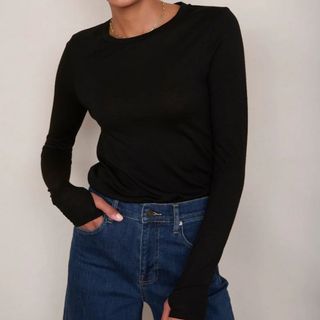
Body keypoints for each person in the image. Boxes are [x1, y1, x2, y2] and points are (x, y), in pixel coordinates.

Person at [40, 0, 248, 319]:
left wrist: (193, 286)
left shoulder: (211, 27)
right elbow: (56, 146)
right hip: (104, 241)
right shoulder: (82, 50)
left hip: (188, 239)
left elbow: (230, 165)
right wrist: (66, 198)